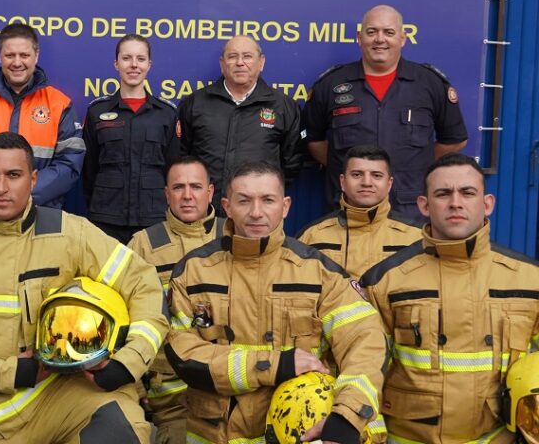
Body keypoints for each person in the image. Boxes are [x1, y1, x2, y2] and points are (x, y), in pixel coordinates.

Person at [0, 132, 167, 443]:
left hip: (62, 397)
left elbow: (143, 284)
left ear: (32, 179)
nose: (1, 187)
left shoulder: (70, 232)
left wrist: (129, 362)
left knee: (116, 426)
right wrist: (5, 372)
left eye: (13, 175)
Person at [165, 161, 388, 444]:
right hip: (213, 435)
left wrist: (347, 415)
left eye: (268, 200)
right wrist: (273, 364)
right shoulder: (193, 272)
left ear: (285, 206)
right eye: (244, 201)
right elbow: (182, 354)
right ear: (227, 207)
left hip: (297, 434)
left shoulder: (320, 273)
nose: (256, 212)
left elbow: (365, 343)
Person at [360, 153, 539, 443]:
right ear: (424, 205)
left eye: (467, 192)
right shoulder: (384, 282)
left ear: (487, 203)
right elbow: (361, 365)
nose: (455, 202)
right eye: (443, 194)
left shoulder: (530, 280)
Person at [303, 4, 468, 220]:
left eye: (389, 32)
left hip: (410, 210)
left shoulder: (430, 84)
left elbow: (454, 140)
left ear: (403, 38)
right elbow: (312, 140)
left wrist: (417, 164)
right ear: (359, 38)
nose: (380, 39)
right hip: (348, 209)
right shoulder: (331, 84)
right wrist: (347, 168)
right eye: (372, 32)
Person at [126, 155, 221, 444]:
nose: (187, 195)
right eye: (178, 187)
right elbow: (124, 322)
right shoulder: (143, 245)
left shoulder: (233, 235)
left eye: (196, 186)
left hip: (229, 390)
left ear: (210, 192)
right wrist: (135, 390)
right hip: (172, 401)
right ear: (167, 194)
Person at [0, 23, 85, 208]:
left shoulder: (59, 104)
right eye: (10, 55)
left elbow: (69, 164)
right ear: (0, 57)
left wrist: (22, 193)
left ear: (36, 56)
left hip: (40, 210)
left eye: (24, 55)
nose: (17, 62)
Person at [177, 36, 302, 214]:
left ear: (261, 62)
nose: (240, 63)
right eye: (232, 56)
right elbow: (181, 157)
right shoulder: (195, 103)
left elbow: (292, 162)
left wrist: (263, 193)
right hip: (206, 211)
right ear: (222, 63)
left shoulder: (283, 106)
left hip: (258, 213)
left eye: (247, 56)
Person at [83, 34, 178, 244]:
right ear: (116, 63)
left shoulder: (167, 114)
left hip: (154, 218)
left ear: (149, 65)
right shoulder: (97, 112)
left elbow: (173, 170)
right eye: (126, 58)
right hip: (106, 218)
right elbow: (89, 171)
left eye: (140, 59)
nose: (134, 65)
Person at [297, 145, 420, 279]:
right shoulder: (312, 236)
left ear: (389, 184)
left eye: (376, 175)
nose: (366, 182)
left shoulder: (417, 237)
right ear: (342, 182)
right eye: (356, 175)